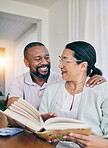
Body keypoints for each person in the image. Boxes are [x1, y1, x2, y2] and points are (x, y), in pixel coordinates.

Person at [39, 41, 108, 148]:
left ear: (83, 65)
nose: (60, 65)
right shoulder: (51, 90)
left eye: (66, 61)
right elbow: (40, 127)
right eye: (60, 60)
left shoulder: (102, 90)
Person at [7, 42, 105, 111]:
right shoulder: (19, 81)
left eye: (47, 58)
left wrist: (99, 79)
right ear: (26, 63)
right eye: (38, 59)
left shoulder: (61, 79)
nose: (44, 62)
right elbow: (12, 110)